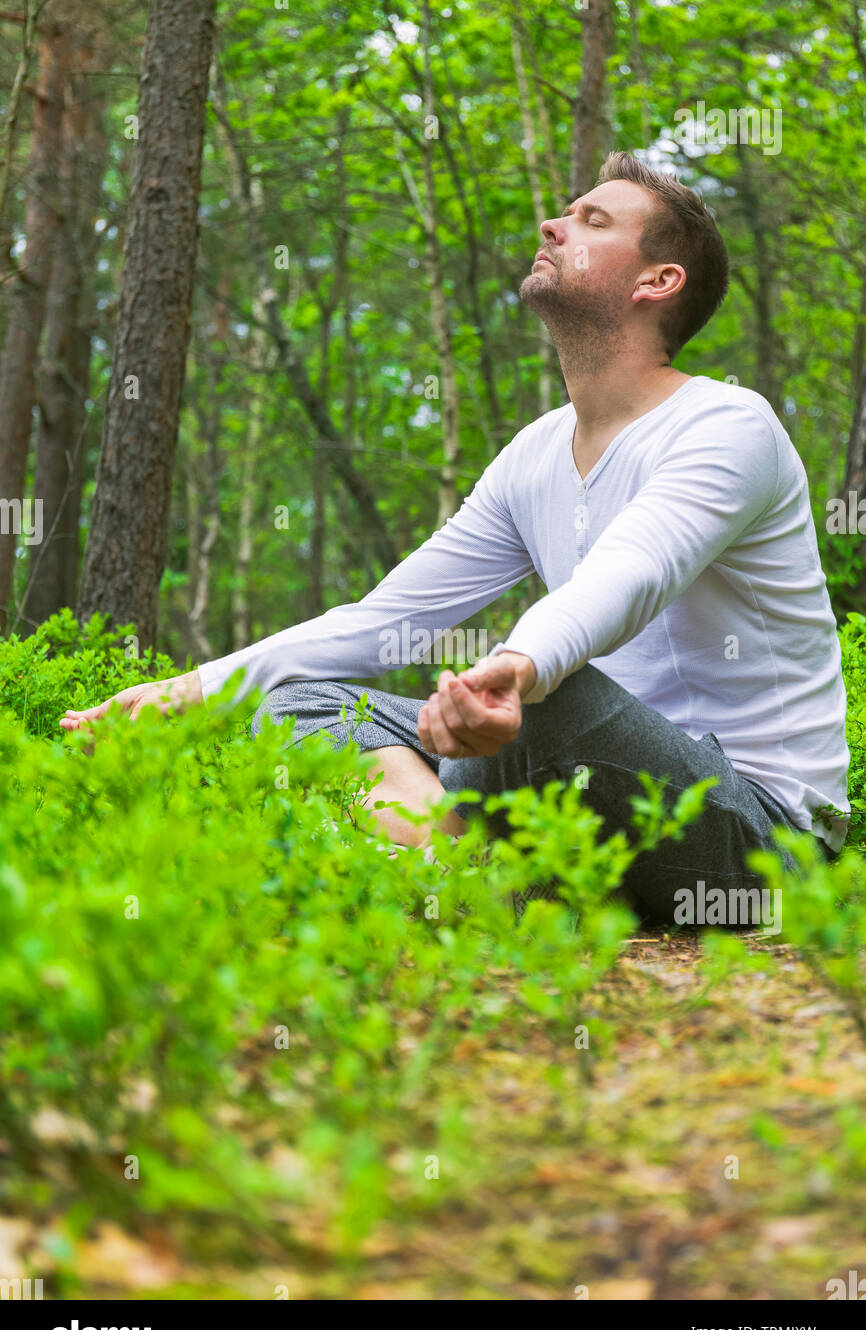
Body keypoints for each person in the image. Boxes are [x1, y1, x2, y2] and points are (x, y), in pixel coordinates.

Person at [60, 152, 850, 923]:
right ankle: (482, 890)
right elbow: (380, 624)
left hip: (757, 834)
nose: (552, 224)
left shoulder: (727, 425)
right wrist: (187, 692)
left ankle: (488, 887)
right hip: (583, 794)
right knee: (300, 707)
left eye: (591, 219)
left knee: (541, 699)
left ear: (657, 281)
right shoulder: (535, 454)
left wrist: (512, 670)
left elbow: (631, 573)